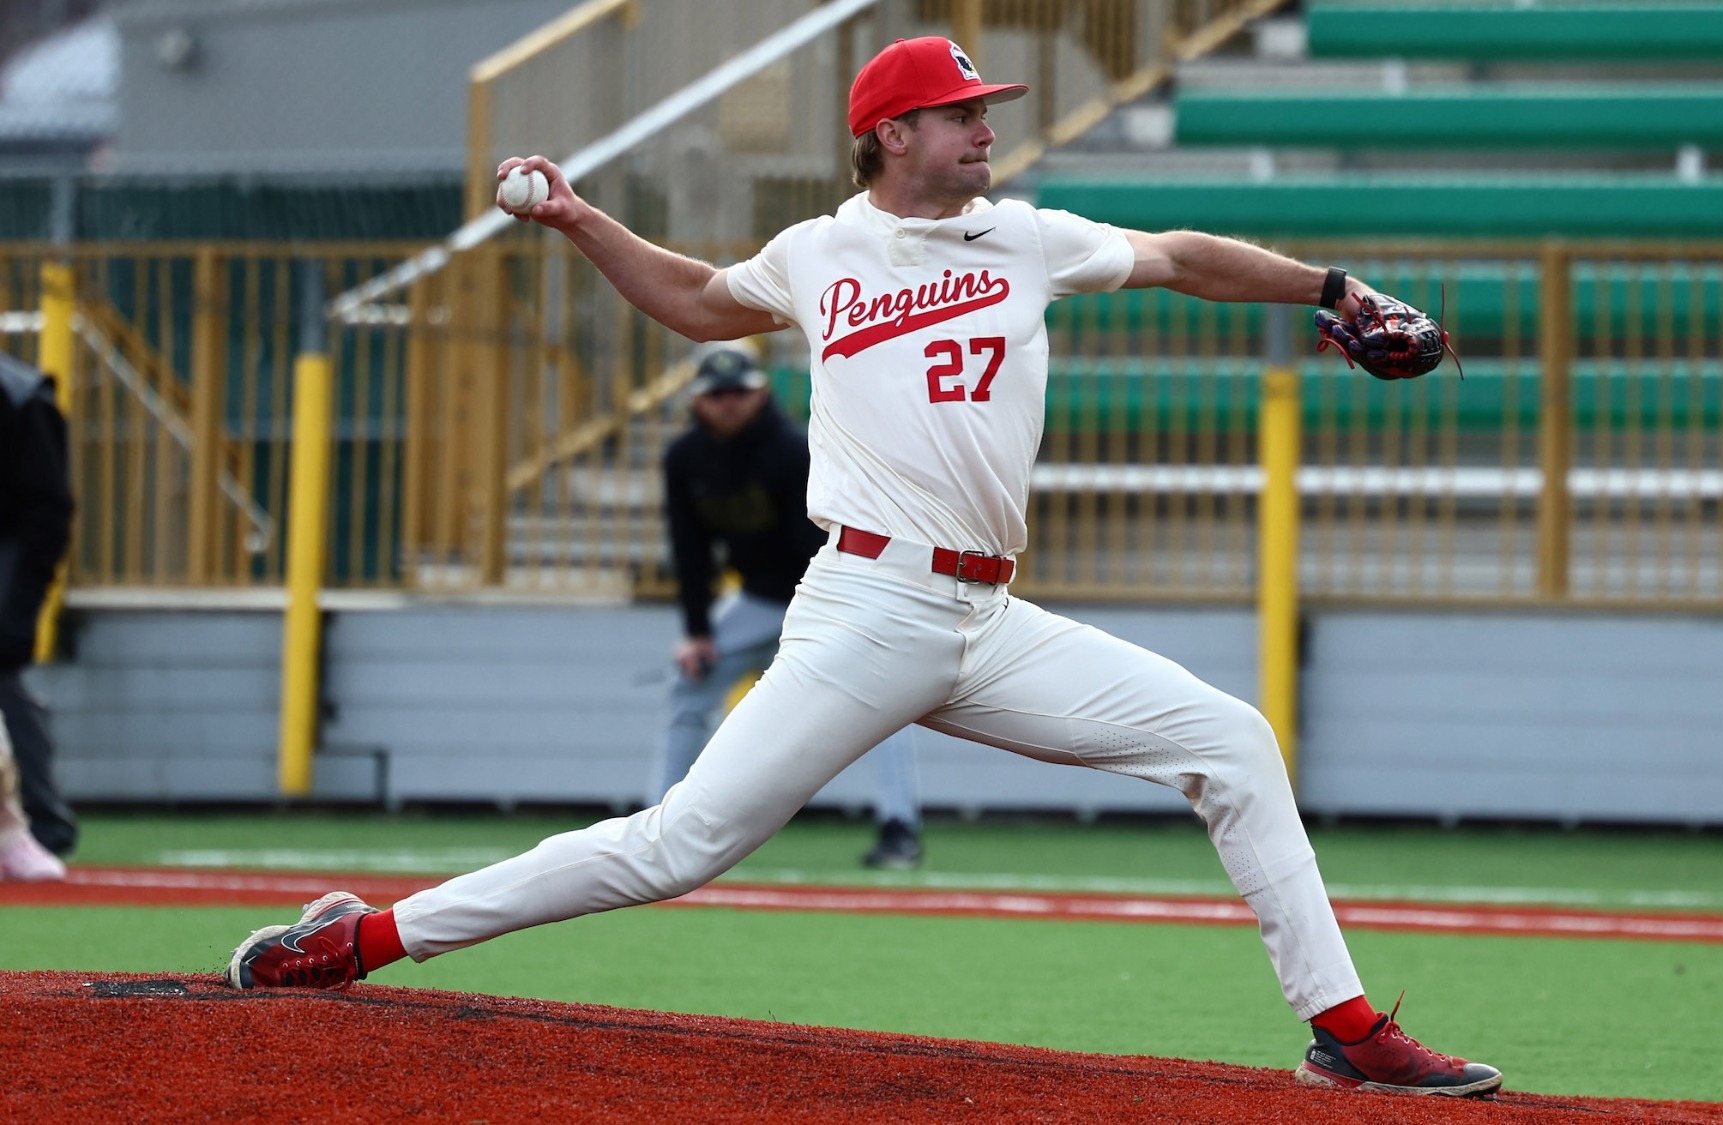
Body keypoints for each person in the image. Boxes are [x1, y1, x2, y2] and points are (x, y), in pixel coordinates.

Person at [226, 36, 1501, 1097]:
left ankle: (1344, 1036)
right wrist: (575, 217)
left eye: (981, 111)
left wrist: (1331, 288)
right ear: (892, 133)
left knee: (1229, 741)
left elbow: (1179, 254)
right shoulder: (818, 253)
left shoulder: (1024, 238)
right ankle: (364, 940)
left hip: (986, 615)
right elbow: (695, 300)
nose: (983, 127)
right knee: (681, 847)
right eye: (959, 113)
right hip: (869, 602)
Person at [661, 342, 923, 869]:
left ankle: (900, 827)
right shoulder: (684, 458)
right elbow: (690, 550)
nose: (729, 403)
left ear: (760, 393)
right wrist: (696, 631)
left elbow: (819, 542)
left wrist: (832, 620)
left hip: (830, 594)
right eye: (717, 394)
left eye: (740, 392)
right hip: (759, 598)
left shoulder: (792, 448)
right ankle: (659, 827)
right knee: (689, 682)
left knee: (882, 700)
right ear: (698, 400)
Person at [0, 352, 77, 881]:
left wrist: (22, 599)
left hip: (12, 550)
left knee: (2, 676)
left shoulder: (21, 396)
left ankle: (31, 825)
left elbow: (48, 509)